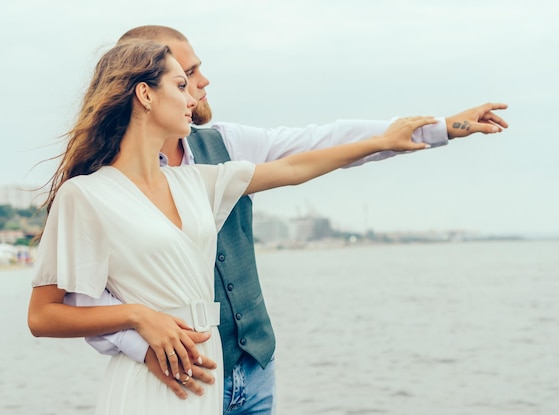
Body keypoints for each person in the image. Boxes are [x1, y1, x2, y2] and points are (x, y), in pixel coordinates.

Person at [63, 25, 509, 414]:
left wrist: (440, 128)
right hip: (175, 380)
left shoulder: (216, 160)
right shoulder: (96, 189)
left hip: (255, 368)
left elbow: (313, 149)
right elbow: (79, 302)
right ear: (145, 87)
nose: (202, 81)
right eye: (186, 75)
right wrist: (144, 341)